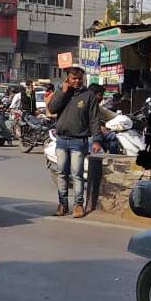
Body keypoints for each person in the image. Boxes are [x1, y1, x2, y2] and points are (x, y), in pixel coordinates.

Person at [48, 66, 102, 218]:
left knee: (77, 174)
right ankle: (62, 204)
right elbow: (52, 109)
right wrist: (63, 92)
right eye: (74, 78)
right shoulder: (62, 92)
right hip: (61, 140)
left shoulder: (89, 95)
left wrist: (97, 140)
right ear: (68, 79)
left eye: (79, 79)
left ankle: (78, 205)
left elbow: (94, 119)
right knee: (61, 174)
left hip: (79, 141)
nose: (77, 81)